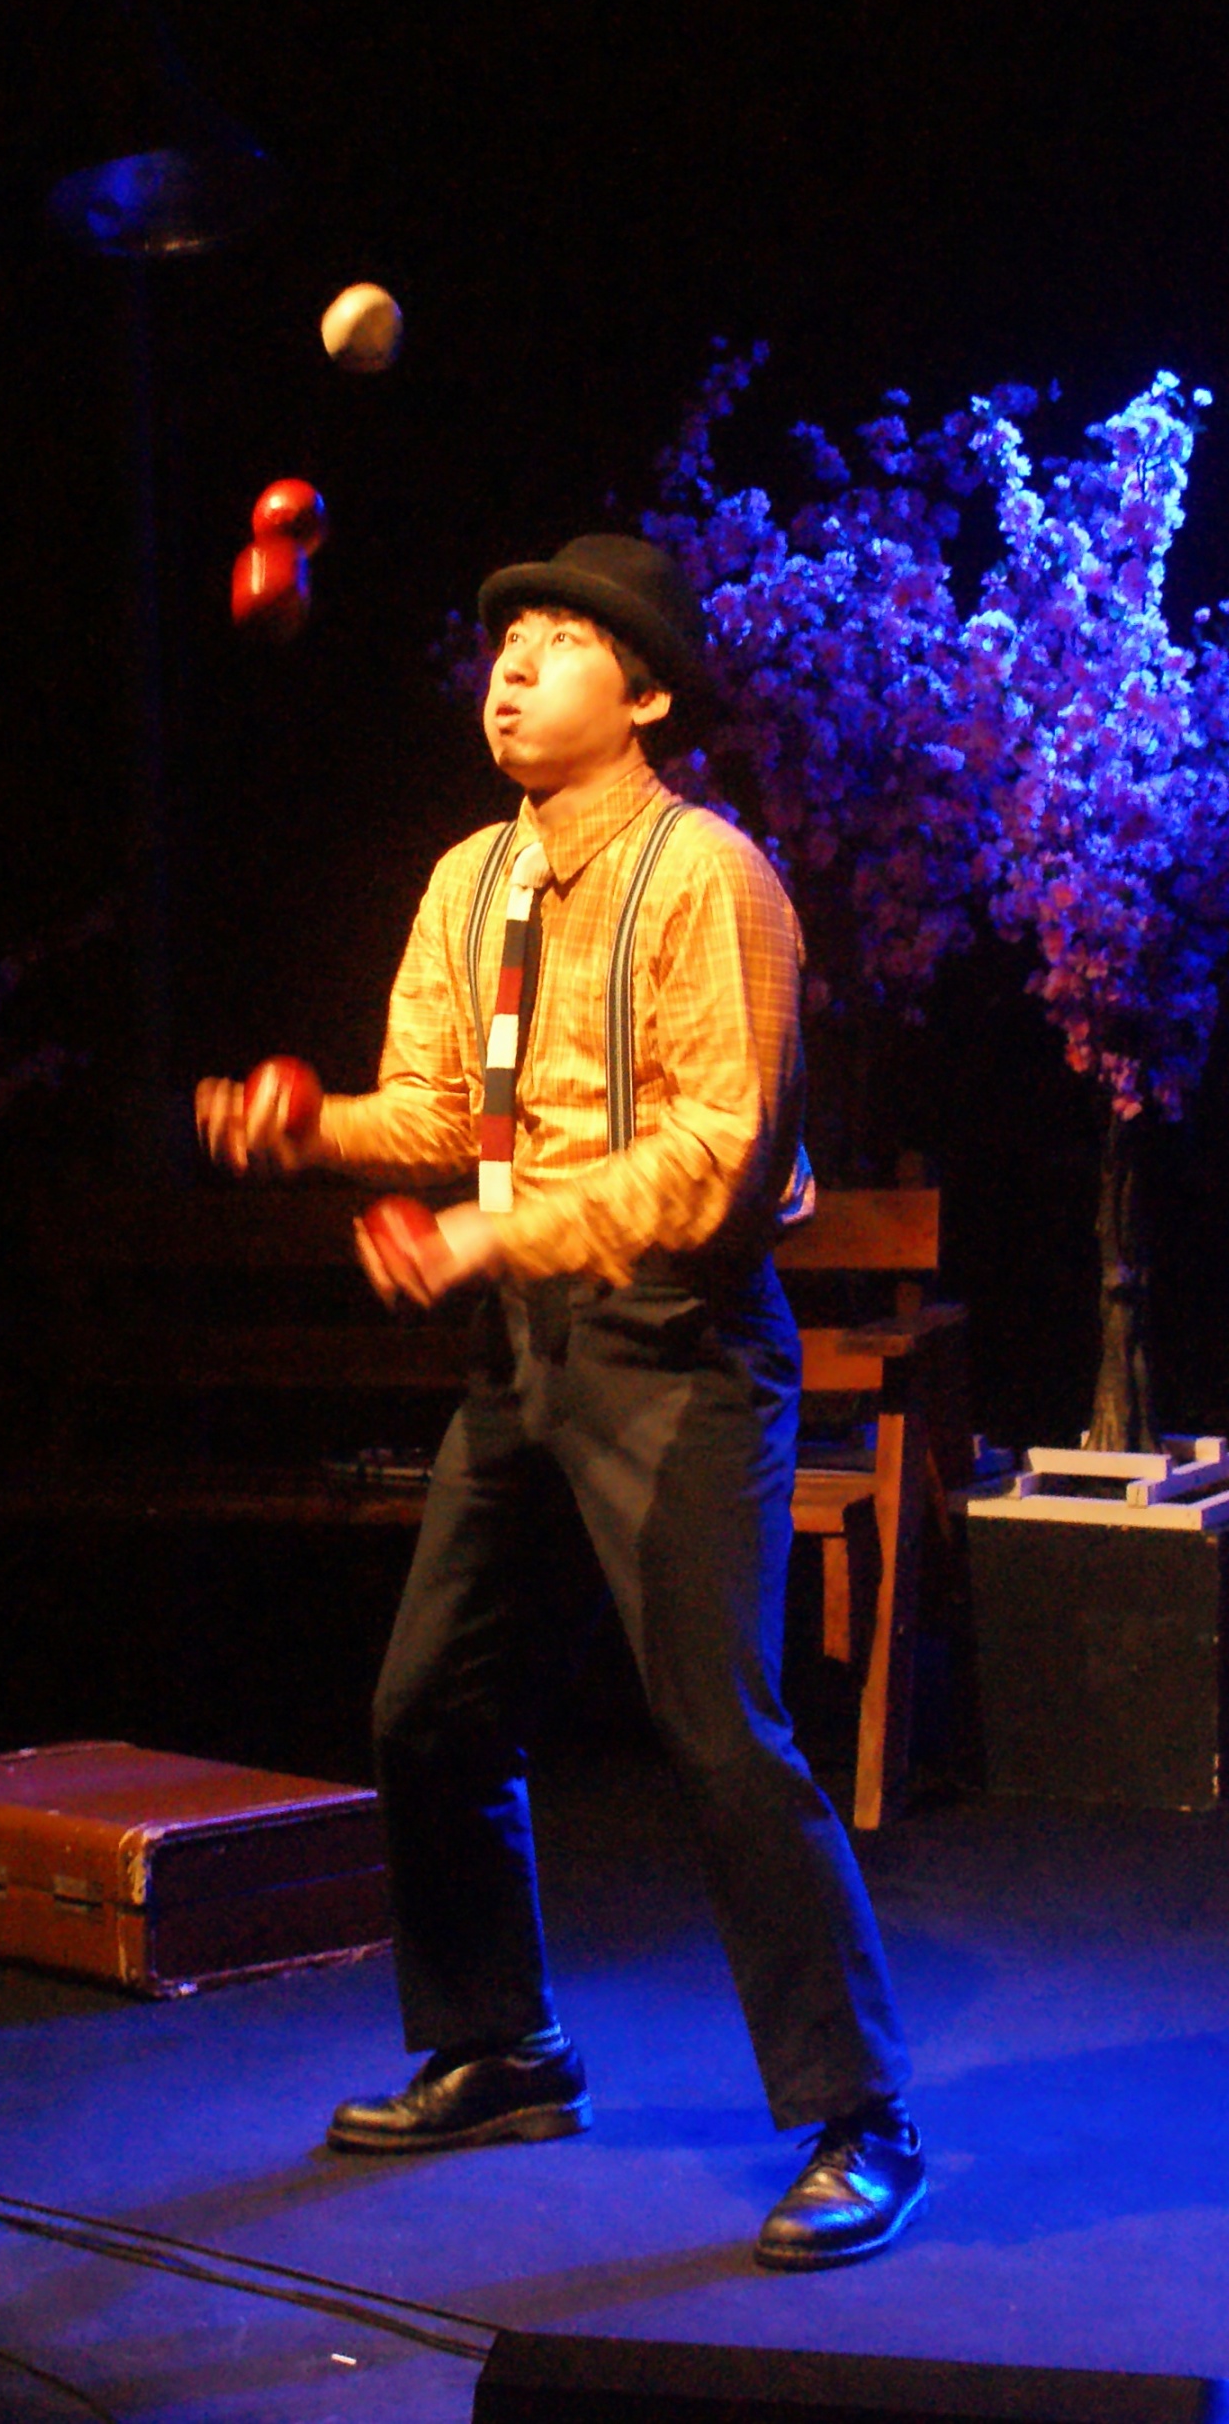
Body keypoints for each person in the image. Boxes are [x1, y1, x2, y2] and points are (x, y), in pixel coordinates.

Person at [192, 532, 923, 2272]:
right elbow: (448, 1102)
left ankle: (862, 2116)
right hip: (529, 1352)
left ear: (646, 693)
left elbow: (718, 1158)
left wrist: (490, 1230)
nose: (512, 670)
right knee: (429, 1706)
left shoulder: (708, 878)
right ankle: (502, 2048)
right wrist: (314, 1132)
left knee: (724, 1733)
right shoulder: (471, 879)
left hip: (678, 1346)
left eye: (558, 643)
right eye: (503, 642)